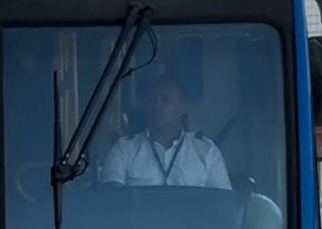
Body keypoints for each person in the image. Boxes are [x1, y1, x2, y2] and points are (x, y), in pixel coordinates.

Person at [99, 77, 231, 190]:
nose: (157, 106)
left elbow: (223, 202)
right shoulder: (124, 148)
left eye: (165, 101)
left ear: (182, 108)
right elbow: (112, 199)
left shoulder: (206, 150)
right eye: (152, 100)